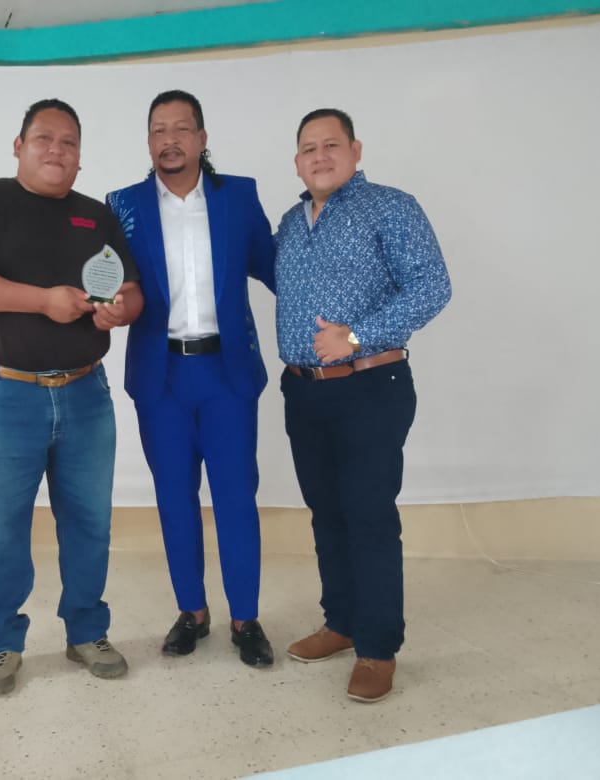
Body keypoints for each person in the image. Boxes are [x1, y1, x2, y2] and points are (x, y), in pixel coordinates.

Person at [0, 98, 143, 696]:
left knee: (91, 523)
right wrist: (44, 301)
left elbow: (130, 290)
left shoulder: (96, 216)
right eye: (44, 138)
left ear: (80, 157)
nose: (57, 149)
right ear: (19, 146)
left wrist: (122, 309)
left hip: (85, 394)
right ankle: (1, 642)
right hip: (3, 394)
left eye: (69, 142)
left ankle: (87, 631)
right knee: (2, 529)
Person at [274, 108, 451, 702]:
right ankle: (342, 622)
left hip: (371, 385)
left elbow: (433, 286)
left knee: (369, 515)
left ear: (355, 150)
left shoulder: (391, 207)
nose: (319, 156)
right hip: (304, 389)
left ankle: (377, 648)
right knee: (326, 512)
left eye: (331, 144)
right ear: (297, 162)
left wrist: (355, 336)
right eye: (308, 148)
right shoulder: (291, 222)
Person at [106, 90, 275, 668]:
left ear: (202, 139)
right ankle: (193, 613)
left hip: (227, 374)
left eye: (182, 128)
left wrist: (338, 313)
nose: (170, 139)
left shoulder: (239, 196)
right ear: (148, 141)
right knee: (174, 498)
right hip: (162, 377)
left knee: (236, 497)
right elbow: (107, 280)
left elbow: (277, 269)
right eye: (159, 130)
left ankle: (246, 618)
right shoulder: (123, 204)